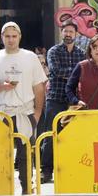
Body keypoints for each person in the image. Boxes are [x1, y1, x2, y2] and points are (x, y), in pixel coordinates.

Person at [0, 22, 47, 194]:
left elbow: (39, 87)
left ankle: (26, 190)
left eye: (14, 36)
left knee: (25, 155)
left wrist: (37, 113)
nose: (11, 40)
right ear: (2, 37)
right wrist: (1, 87)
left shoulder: (30, 57)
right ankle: (2, 191)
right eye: (7, 36)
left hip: (25, 112)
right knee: (1, 154)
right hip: (2, 114)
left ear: (19, 37)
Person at [39, 21, 85, 183]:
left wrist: (74, 74)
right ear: (61, 33)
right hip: (56, 98)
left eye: (71, 31)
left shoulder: (81, 53)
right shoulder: (54, 51)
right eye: (65, 31)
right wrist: (76, 74)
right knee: (51, 135)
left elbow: (85, 72)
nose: (68, 34)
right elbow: (56, 70)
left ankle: (73, 167)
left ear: (76, 34)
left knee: (74, 136)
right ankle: (46, 171)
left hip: (74, 101)